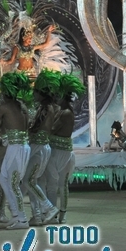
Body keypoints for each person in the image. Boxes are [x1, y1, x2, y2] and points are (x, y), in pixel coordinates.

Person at [0, 72, 32, 229]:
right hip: (20, 146)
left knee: (12, 183)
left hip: (17, 147)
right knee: (3, 180)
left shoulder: (5, 107)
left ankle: (22, 220)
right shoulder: (22, 105)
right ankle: (16, 215)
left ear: (5, 92)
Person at [44, 73, 84, 224]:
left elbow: (52, 129)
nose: (55, 98)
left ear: (63, 96)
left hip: (62, 153)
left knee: (61, 185)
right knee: (53, 185)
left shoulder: (66, 113)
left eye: (57, 95)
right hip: (57, 151)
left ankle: (62, 213)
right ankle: (53, 214)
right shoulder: (61, 111)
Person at [23, 69, 60, 225]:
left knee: (28, 181)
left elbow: (36, 128)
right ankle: (36, 216)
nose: (33, 95)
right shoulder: (46, 107)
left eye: (35, 92)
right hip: (41, 146)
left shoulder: (45, 108)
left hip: (38, 147)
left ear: (41, 93)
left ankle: (49, 208)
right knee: (32, 182)